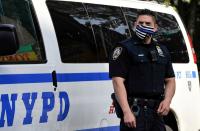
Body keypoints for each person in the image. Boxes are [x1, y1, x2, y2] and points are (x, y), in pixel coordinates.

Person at [109, 9, 176, 131]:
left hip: (156, 113)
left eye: (148, 24)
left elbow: (170, 80)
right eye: (140, 23)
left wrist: (167, 101)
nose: (143, 26)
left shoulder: (162, 50)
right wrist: (126, 112)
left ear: (155, 27)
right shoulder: (124, 48)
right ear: (135, 25)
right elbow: (117, 82)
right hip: (135, 111)